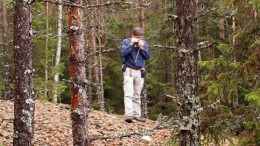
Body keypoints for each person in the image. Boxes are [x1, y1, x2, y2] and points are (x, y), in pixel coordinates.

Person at [119, 27, 150, 123]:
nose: (139, 39)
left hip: (140, 71)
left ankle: (137, 115)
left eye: (140, 37)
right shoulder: (125, 42)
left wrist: (142, 48)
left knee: (137, 94)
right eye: (137, 37)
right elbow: (122, 53)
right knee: (128, 93)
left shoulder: (143, 43)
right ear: (132, 35)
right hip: (129, 70)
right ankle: (129, 115)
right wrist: (131, 45)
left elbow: (147, 57)